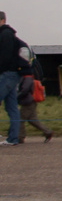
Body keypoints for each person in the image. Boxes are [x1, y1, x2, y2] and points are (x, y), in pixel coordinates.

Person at [0, 12, 25, 147]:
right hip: (11, 74)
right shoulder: (8, 34)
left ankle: (13, 138)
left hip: (7, 74)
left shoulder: (5, 34)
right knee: (11, 107)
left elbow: (5, 57)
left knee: (12, 108)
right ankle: (12, 138)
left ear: (2, 20)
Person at [17, 52, 52, 143]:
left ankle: (20, 137)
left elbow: (25, 90)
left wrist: (17, 96)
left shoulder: (27, 78)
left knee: (20, 119)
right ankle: (47, 132)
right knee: (33, 120)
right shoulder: (29, 76)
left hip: (28, 101)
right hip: (30, 101)